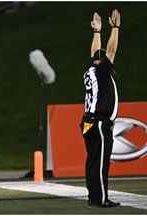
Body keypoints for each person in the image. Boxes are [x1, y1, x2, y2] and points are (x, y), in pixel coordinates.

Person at [80, 9, 121, 208]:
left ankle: (93, 196)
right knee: (101, 163)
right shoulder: (103, 70)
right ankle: (101, 199)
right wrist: (115, 28)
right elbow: (111, 51)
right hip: (99, 121)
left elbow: (94, 52)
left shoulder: (90, 69)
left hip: (87, 121)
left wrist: (97, 32)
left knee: (92, 161)